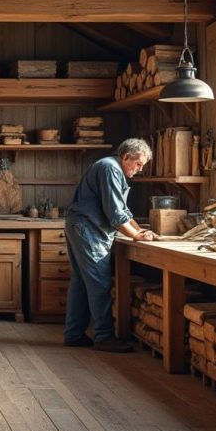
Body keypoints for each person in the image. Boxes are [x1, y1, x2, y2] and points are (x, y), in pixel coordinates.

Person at [63, 138, 154, 352]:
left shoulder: (112, 168)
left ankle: (74, 335)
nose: (140, 170)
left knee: (81, 283)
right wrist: (135, 236)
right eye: (138, 164)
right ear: (125, 157)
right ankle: (104, 337)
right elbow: (114, 214)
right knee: (99, 284)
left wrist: (138, 230)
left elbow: (123, 212)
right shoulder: (110, 169)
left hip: (82, 226)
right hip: (88, 229)